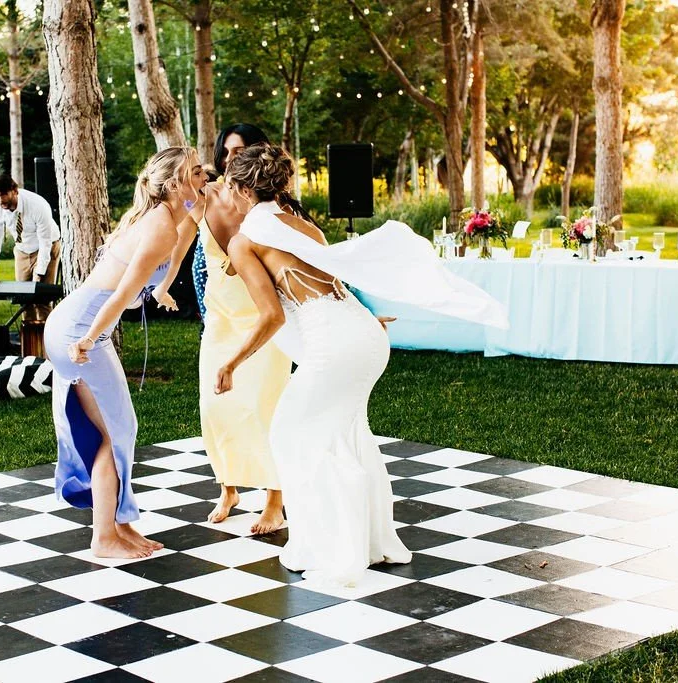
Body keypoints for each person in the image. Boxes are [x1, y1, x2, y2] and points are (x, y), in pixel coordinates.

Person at [216, 144, 509, 586]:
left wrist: (231, 362)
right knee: (344, 434)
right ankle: (371, 542)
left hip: (335, 343)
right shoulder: (303, 227)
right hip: (364, 333)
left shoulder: (244, 240)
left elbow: (273, 315)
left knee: (292, 435)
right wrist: (365, 321)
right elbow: (329, 287)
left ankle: (334, 549)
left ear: (240, 189)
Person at [43, 147, 208, 559]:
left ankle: (122, 524)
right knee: (114, 434)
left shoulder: (168, 218)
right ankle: (104, 537)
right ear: (174, 184)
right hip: (82, 329)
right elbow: (120, 295)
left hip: (83, 325)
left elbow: (186, 236)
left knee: (121, 430)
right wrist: (86, 340)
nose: (205, 174)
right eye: (195, 171)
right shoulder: (159, 227)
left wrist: (165, 285)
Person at [154, 123, 294, 535]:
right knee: (216, 407)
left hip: (263, 315)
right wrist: (163, 283)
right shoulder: (207, 196)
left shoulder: (270, 205)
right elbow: (181, 240)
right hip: (220, 314)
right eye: (229, 152)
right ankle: (228, 487)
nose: (234, 159)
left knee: (265, 405)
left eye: (244, 150)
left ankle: (274, 499)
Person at [190, 124, 271, 320]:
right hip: (214, 302)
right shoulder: (201, 196)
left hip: (258, 303)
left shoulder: (272, 204)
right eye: (225, 152)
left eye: (238, 152)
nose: (228, 160)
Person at [0, 174, 62, 321]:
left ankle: (48, 341)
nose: (0, 200)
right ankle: (29, 342)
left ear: (15, 190)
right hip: (22, 249)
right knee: (24, 300)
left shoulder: (38, 205)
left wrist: (39, 274)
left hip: (47, 247)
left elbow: (45, 242)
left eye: (4, 194)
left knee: (41, 299)